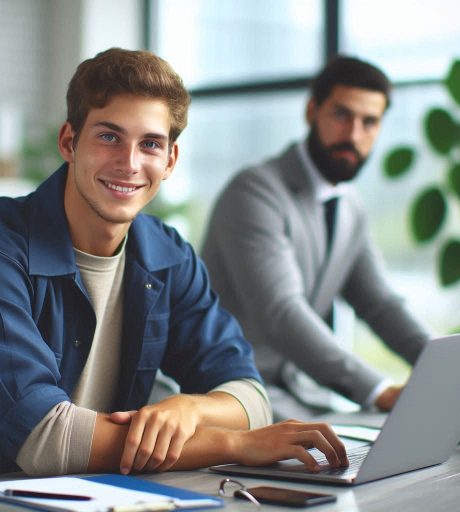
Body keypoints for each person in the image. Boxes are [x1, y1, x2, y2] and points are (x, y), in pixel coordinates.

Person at [0, 48, 347, 476]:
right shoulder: (6, 247)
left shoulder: (167, 255)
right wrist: (234, 443)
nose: (129, 164)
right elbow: (46, 438)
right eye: (109, 136)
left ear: (170, 161)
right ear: (69, 142)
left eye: (150, 144)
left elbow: (251, 397)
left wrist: (190, 410)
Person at [201, 56, 432, 418]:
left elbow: (379, 303)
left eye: (369, 122)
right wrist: (379, 389)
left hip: (303, 394)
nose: (353, 135)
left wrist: (441, 363)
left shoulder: (350, 205)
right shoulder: (254, 191)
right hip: (237, 391)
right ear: (312, 111)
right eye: (342, 115)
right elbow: (281, 312)